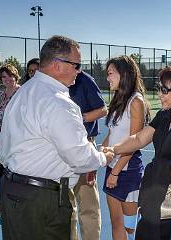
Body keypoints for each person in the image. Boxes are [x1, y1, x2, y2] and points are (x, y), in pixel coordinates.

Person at [0, 35, 114, 240]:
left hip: (13, 190)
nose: (79, 71)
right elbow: (79, 157)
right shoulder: (57, 101)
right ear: (57, 65)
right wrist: (103, 157)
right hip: (41, 200)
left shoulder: (23, 92)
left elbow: (5, 146)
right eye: (76, 65)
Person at [104, 65, 171, 239]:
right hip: (159, 185)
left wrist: (154, 172)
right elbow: (139, 139)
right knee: (149, 233)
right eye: (159, 88)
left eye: (165, 90)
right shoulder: (164, 114)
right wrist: (113, 149)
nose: (160, 94)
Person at [101, 55, 150, 240]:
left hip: (127, 171)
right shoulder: (118, 99)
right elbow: (111, 135)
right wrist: (99, 152)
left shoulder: (136, 102)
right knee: (116, 223)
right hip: (112, 168)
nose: (107, 78)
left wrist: (116, 172)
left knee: (131, 229)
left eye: (110, 73)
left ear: (124, 74)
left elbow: (133, 141)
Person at [69, 71, 108, 240]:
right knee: (65, 208)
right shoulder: (50, 84)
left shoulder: (84, 79)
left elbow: (102, 109)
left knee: (88, 206)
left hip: (84, 146)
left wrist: (78, 118)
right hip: (58, 151)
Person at [0, 64, 21, 212]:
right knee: (2, 172)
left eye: (10, 75)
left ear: (15, 76)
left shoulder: (21, 92)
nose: (7, 79)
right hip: (0, 138)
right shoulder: (3, 94)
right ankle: (3, 201)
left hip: (16, 139)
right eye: (3, 76)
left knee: (15, 172)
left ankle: (15, 201)